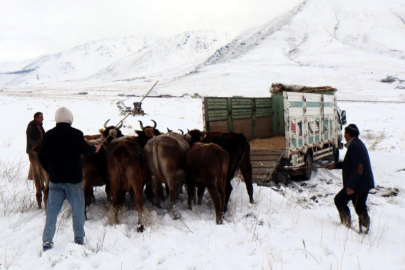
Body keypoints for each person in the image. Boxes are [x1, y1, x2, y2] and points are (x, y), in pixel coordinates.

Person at [38, 107, 101, 251]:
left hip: (55, 181)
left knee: (52, 213)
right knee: (78, 211)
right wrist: (95, 149)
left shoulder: (48, 135)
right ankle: (79, 240)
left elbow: (41, 156)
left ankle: (47, 242)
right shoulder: (76, 134)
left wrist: (51, 170)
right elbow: (86, 150)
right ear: (70, 119)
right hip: (74, 181)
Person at [327, 124, 375, 234]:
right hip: (363, 183)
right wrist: (335, 165)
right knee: (360, 207)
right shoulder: (357, 144)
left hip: (358, 185)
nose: (344, 135)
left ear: (348, 134)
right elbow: (351, 164)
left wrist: (350, 186)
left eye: (345, 133)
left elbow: (358, 168)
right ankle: (364, 229)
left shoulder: (355, 146)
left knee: (339, 200)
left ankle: (346, 225)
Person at [26, 112, 45, 180]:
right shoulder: (31, 127)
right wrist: (36, 145)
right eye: (41, 117)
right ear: (36, 118)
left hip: (39, 148)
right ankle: (32, 177)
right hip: (33, 149)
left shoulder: (40, 126)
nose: (43, 119)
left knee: (35, 162)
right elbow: (30, 139)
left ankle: (31, 176)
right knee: (34, 162)